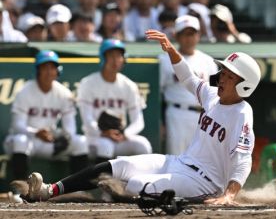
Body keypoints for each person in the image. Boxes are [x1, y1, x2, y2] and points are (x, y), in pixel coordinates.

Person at [24, 30, 261, 205]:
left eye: (230, 77)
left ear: (245, 86)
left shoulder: (242, 114)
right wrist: (171, 50)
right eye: (223, 73)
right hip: (179, 162)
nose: (221, 78)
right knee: (119, 165)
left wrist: (229, 194)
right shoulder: (212, 96)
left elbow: (243, 160)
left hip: (206, 182)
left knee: (138, 185)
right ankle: (48, 190)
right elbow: (189, 79)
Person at [4, 50, 89, 180]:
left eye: (52, 67)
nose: (49, 72)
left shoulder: (64, 93)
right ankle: (20, 191)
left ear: (58, 71)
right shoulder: (25, 91)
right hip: (26, 140)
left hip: (50, 142)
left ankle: (79, 189)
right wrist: (35, 132)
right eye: (45, 67)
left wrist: (62, 138)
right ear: (38, 70)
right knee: (20, 140)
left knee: (80, 142)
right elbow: (17, 126)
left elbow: (70, 129)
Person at [77, 39, 152, 163]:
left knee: (143, 144)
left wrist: (125, 134)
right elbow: (87, 120)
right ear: (103, 58)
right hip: (95, 137)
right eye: (111, 55)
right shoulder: (88, 83)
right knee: (105, 145)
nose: (115, 60)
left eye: (119, 56)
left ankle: (139, 181)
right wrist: (103, 132)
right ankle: (101, 182)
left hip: (120, 136)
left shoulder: (129, 85)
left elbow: (138, 121)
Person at [160, 15, 218, 154]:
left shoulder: (208, 61)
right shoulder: (164, 60)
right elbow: (158, 93)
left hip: (203, 116)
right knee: (176, 160)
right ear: (177, 36)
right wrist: (160, 122)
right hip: (176, 113)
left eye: (192, 34)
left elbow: (214, 95)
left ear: (198, 35)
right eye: (185, 34)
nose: (189, 38)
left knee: (201, 161)